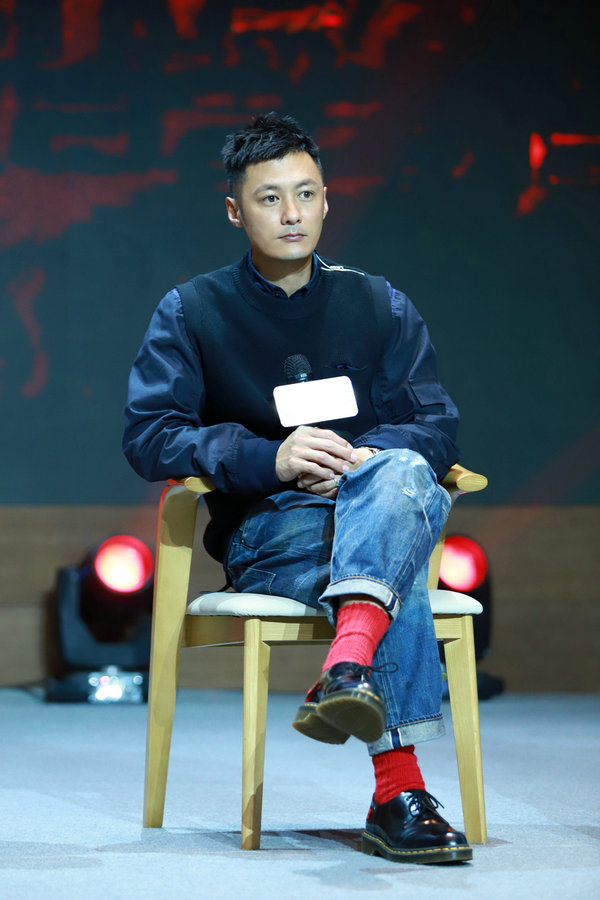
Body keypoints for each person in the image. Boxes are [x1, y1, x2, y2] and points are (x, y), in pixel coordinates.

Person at [123, 113, 472, 864]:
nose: (291, 213)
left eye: (306, 194)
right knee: (388, 568)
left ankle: (347, 669)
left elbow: (436, 425)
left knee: (400, 475)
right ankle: (399, 791)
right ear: (235, 210)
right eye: (270, 198)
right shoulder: (192, 311)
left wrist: (365, 457)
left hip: (376, 506)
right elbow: (150, 435)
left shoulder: (379, 304)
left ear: (326, 200)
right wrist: (271, 459)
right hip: (272, 529)